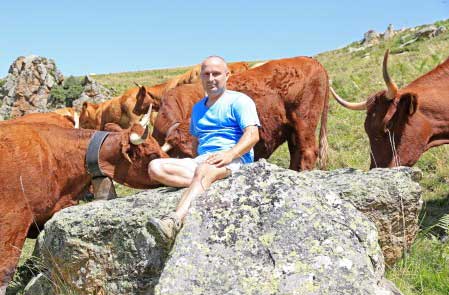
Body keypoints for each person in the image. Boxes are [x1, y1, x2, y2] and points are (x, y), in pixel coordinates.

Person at [148, 55, 260, 246]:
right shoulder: (198, 108)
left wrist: (230, 154)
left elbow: (253, 135)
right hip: (204, 161)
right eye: (206, 74)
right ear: (201, 77)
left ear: (227, 75)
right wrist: (196, 161)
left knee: (203, 170)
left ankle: (173, 222)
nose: (211, 79)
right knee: (155, 167)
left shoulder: (240, 101)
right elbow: (195, 142)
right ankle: (206, 183)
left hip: (235, 160)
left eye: (216, 74)